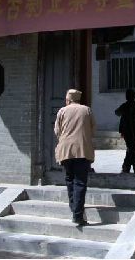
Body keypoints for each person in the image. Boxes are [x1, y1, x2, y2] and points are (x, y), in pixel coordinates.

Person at [54, 89, 96, 226]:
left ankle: (74, 208)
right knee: (80, 182)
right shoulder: (86, 110)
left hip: (65, 150)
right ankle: (77, 215)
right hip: (82, 150)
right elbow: (93, 130)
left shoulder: (62, 111)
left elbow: (57, 131)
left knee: (69, 179)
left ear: (68, 99)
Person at [114, 88, 135, 174]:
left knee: (131, 149)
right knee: (131, 149)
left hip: (129, 132)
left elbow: (117, 112)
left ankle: (131, 167)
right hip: (134, 131)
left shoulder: (126, 105)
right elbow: (117, 112)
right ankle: (129, 167)